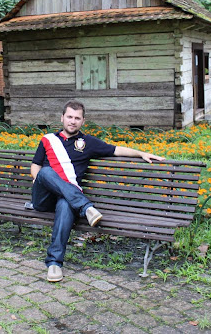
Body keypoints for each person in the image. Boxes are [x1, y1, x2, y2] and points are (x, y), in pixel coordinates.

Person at [30, 100, 165, 282]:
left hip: (68, 199)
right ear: (62, 118)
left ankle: (54, 264)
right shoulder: (48, 140)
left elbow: (116, 150)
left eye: (77, 118)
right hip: (43, 198)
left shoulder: (88, 143)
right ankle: (86, 207)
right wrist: (42, 181)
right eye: (69, 116)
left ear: (83, 121)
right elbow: (35, 167)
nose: (72, 121)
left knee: (65, 203)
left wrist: (140, 153)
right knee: (46, 172)